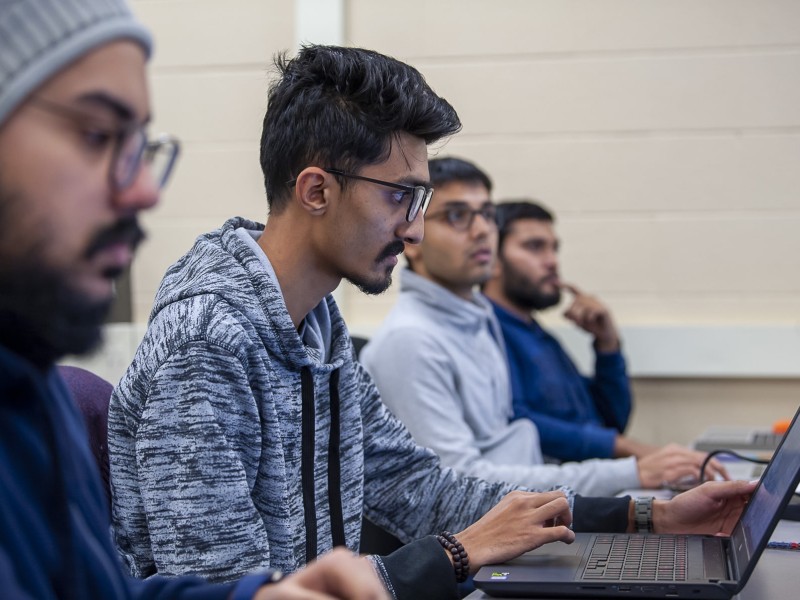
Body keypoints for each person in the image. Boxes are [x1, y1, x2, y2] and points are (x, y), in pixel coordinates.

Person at [108, 47, 752, 600]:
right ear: (316, 190)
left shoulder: (317, 327)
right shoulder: (206, 344)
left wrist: (645, 518)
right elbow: (229, 587)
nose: (414, 230)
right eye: (400, 196)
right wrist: (456, 556)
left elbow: (416, 485)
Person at [0, 1, 389, 598]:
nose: (144, 190)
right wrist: (445, 558)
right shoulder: (204, 336)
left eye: (139, 146)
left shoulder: (29, 383)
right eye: (96, 134)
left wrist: (255, 597)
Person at [361, 156, 725, 497]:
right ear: (413, 240)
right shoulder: (410, 342)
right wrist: (630, 474)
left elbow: (587, 426)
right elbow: (457, 489)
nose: (483, 230)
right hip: (487, 532)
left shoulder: (475, 323)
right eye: (457, 216)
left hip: (522, 515)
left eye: (487, 214)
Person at [482, 200, 668, 462]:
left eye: (554, 249)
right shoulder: (485, 331)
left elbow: (611, 421)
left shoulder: (539, 336)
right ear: (491, 258)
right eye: (535, 247)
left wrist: (607, 346)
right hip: (546, 484)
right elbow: (514, 421)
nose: (552, 261)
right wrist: (623, 447)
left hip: (591, 476)